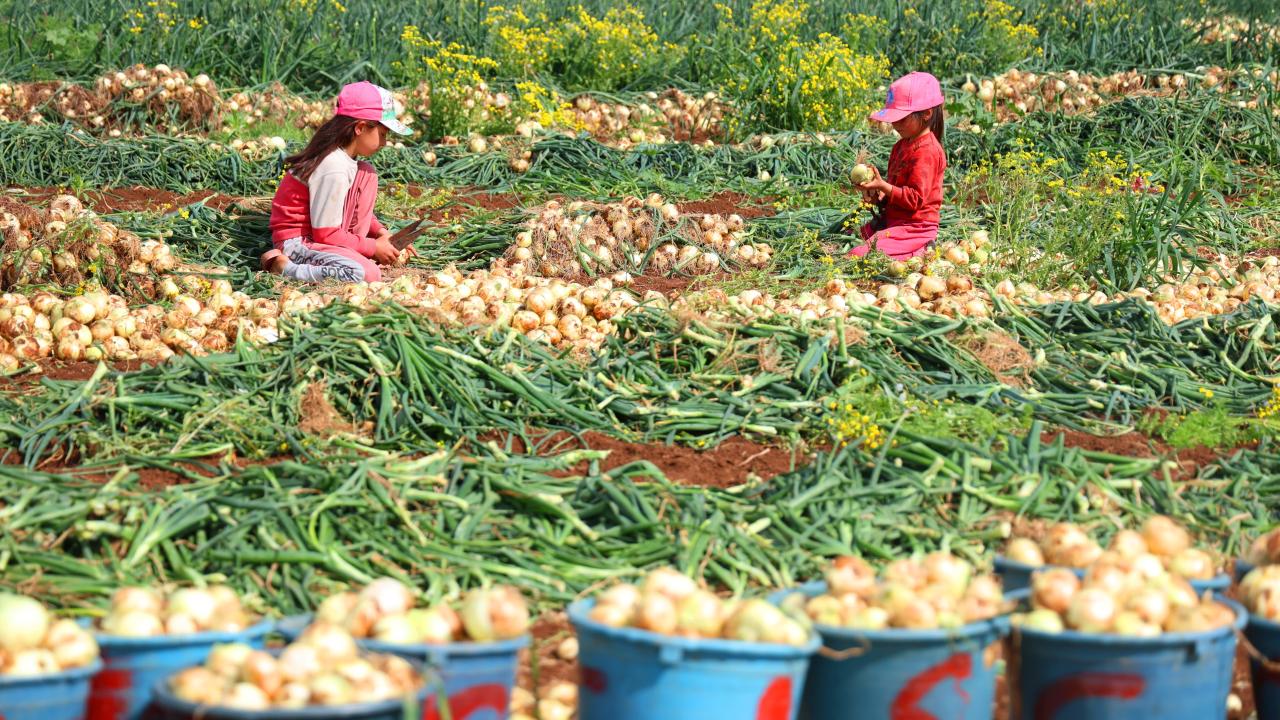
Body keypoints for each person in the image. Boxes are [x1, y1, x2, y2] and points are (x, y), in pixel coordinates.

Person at [262, 81, 412, 283]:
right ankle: (285, 268)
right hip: (298, 243)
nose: (385, 142)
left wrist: (383, 235)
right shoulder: (333, 167)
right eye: (383, 134)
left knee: (367, 174)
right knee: (367, 274)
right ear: (360, 127)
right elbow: (325, 234)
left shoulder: (346, 160)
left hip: (321, 235)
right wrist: (373, 247)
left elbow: (353, 210)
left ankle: (350, 252)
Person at [848, 71, 947, 260]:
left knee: (857, 254)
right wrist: (877, 195)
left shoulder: (927, 152)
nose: (895, 124)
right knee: (848, 236)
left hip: (915, 228)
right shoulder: (900, 146)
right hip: (893, 221)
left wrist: (883, 185)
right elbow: (897, 191)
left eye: (902, 118)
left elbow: (915, 199)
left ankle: (922, 247)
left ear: (926, 113)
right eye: (893, 118)